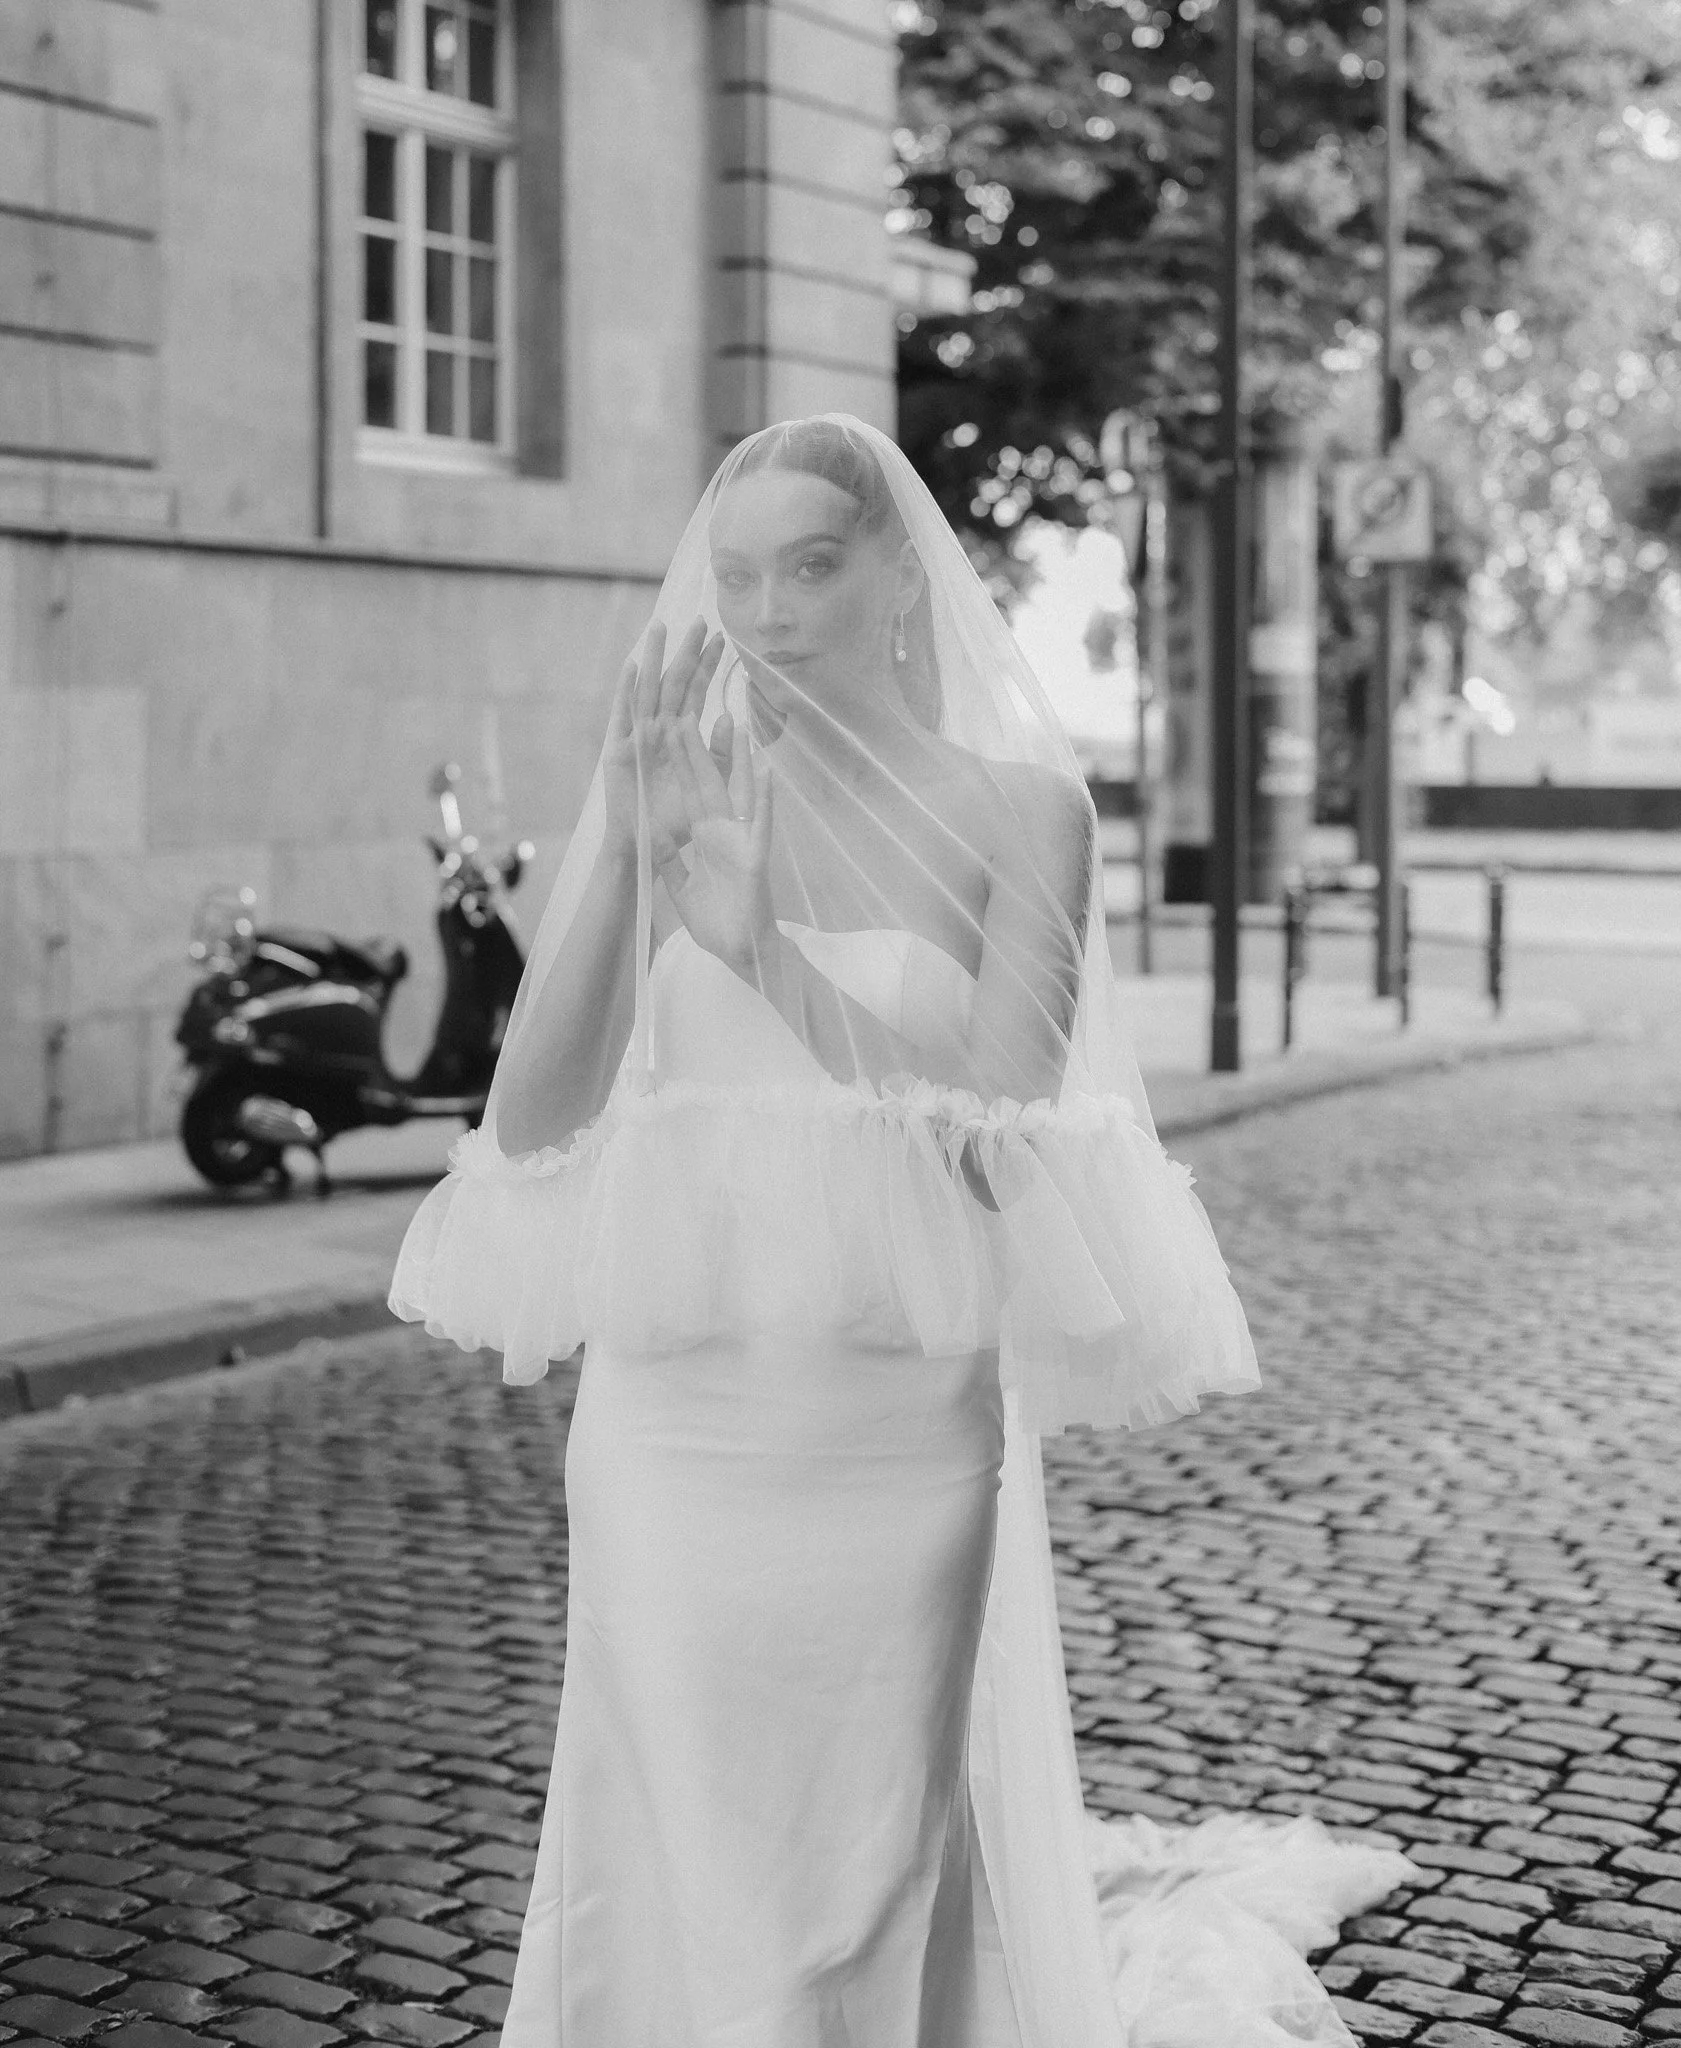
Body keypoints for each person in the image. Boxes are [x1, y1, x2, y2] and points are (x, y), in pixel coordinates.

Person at [391, 416, 1417, 2045]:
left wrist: (767, 960)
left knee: (854, 1874)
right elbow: (529, 1122)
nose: (771, 609)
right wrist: (625, 850)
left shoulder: (1024, 817)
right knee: (675, 1840)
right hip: (672, 1427)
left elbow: (998, 1150)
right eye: (738, 574)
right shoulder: (691, 789)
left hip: (892, 1436)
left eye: (812, 564)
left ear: (898, 583)